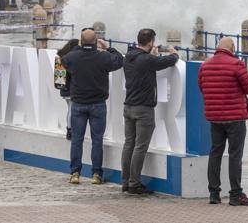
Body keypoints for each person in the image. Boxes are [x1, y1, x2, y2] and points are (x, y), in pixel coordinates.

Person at [198, 37, 248, 206]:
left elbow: (201, 86)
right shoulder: (236, 64)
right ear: (232, 47)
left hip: (215, 118)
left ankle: (214, 193)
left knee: (215, 152)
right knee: (235, 155)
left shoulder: (205, 65)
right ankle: (236, 194)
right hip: (235, 118)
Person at [62, 28, 123, 185]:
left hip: (78, 104)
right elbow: (119, 60)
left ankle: (75, 173)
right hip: (98, 104)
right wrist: (108, 47)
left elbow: (64, 59)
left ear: (81, 42)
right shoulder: (103, 57)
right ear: (96, 41)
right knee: (97, 140)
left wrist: (80, 46)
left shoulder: (72, 57)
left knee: (77, 140)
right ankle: (96, 174)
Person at [122, 29, 178, 195]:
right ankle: (134, 183)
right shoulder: (146, 60)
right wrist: (173, 53)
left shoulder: (129, 57)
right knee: (140, 146)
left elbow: (146, 61)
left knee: (129, 144)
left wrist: (151, 54)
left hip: (128, 106)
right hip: (143, 109)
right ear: (151, 42)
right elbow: (169, 61)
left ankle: (125, 181)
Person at [55, 38, 79, 140]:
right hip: (71, 88)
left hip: (64, 88)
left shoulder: (61, 57)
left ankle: (69, 129)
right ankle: (70, 130)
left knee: (69, 109)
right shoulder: (73, 58)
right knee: (71, 109)